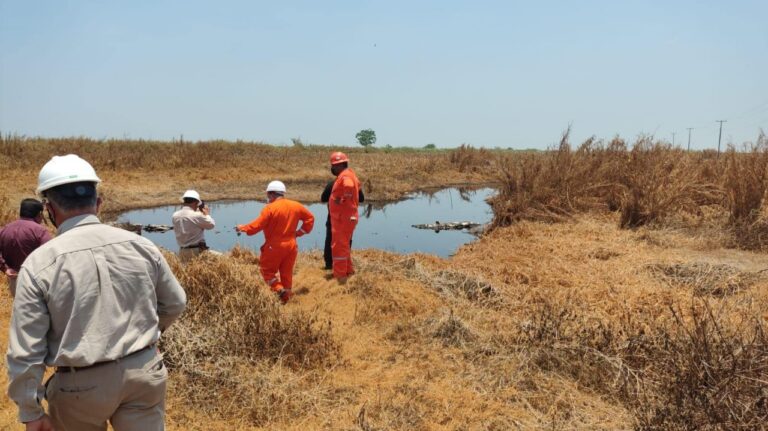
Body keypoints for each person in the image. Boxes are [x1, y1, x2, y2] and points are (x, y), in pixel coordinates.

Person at [6, 154, 187, 431]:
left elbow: (27, 348)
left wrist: (30, 410)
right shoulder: (142, 246)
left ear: (49, 209)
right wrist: (149, 335)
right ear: (98, 203)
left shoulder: (40, 263)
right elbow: (175, 303)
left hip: (79, 386)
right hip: (144, 371)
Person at [236, 181, 314, 303]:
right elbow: (310, 218)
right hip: (291, 245)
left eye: (268, 195)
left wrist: (243, 228)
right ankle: (287, 298)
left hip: (274, 246)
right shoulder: (296, 205)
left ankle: (278, 289)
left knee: (266, 271)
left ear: (271, 194)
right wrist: (299, 233)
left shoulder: (269, 208)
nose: (268, 198)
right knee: (286, 273)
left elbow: (257, 225)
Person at [0, 199, 52, 297]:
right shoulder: (40, 231)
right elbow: (50, 254)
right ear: (39, 214)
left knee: (19, 308)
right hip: (36, 280)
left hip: (14, 278)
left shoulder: (5, 229)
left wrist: (5, 268)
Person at [328, 152, 361, 282]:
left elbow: (349, 186)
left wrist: (342, 199)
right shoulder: (350, 174)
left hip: (343, 218)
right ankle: (348, 271)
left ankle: (340, 276)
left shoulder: (345, 176)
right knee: (344, 245)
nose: (332, 168)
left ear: (339, 165)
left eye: (333, 166)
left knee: (339, 247)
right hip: (346, 217)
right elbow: (358, 185)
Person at [320, 179, 364, 271]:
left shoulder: (332, 183)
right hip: (348, 217)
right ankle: (344, 265)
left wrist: (336, 199)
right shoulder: (354, 183)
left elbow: (323, 198)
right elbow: (362, 198)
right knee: (346, 241)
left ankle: (329, 264)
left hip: (334, 216)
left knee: (330, 239)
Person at [172, 189, 216, 262]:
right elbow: (211, 225)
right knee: (222, 258)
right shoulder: (197, 216)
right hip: (197, 251)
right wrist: (207, 215)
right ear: (196, 202)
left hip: (182, 251)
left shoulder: (175, 215)